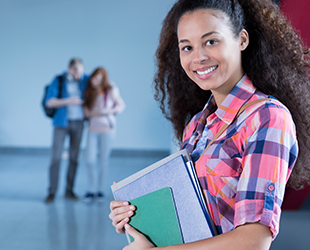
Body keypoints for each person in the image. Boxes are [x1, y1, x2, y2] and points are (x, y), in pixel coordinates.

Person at [109, 0, 310, 249]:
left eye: (211, 41)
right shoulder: (195, 126)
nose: (199, 57)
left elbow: (254, 241)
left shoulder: (267, 118)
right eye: (187, 47)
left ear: (242, 40)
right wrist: (136, 220)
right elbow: (190, 224)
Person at [44, 58, 89, 204]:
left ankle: (69, 190)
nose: (77, 75)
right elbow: (50, 101)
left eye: (80, 72)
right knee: (56, 158)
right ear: (69, 69)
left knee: (74, 158)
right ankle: (52, 192)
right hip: (61, 123)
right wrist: (69, 101)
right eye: (75, 72)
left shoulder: (85, 80)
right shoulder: (58, 80)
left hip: (79, 123)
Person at [82, 67, 125, 203]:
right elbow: (87, 113)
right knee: (89, 160)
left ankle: (99, 191)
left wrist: (108, 111)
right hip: (92, 129)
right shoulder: (89, 91)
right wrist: (101, 112)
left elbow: (121, 106)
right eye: (94, 78)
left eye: (99, 79)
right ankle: (91, 190)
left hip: (108, 130)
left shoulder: (111, 89)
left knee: (103, 161)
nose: (96, 81)